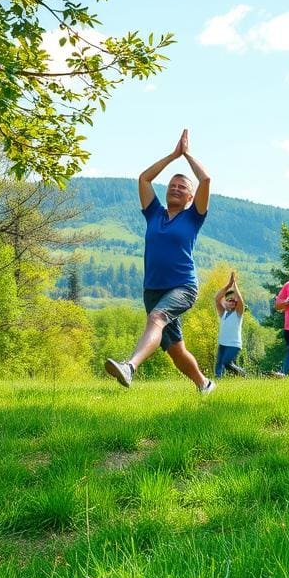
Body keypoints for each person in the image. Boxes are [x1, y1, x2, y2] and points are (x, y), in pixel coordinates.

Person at [104, 129, 215, 393]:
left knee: (156, 318)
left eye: (183, 187)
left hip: (183, 287)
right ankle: (205, 384)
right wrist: (172, 156)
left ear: (191, 197)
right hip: (152, 289)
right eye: (172, 186)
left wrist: (186, 155)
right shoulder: (154, 214)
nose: (176, 189)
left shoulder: (193, 217)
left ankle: (129, 367)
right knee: (176, 351)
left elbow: (206, 179)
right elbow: (144, 178)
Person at [214, 271, 246, 378]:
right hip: (222, 344)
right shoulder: (223, 313)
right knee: (219, 366)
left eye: (234, 300)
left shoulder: (238, 313)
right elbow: (217, 298)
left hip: (234, 344)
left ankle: (243, 374)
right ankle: (218, 383)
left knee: (227, 363)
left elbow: (241, 301)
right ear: (226, 301)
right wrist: (228, 285)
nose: (232, 302)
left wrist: (234, 284)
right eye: (229, 300)